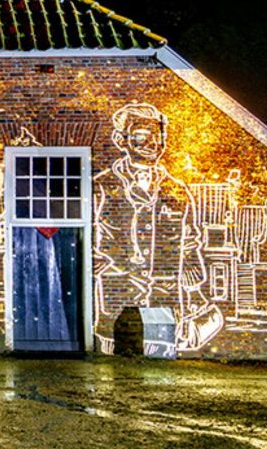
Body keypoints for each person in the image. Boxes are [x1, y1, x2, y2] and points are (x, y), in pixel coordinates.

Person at [93, 103, 224, 352]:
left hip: (164, 295)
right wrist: (100, 263)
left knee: (161, 358)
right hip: (119, 294)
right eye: (142, 137)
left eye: (159, 137)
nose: (153, 144)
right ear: (121, 140)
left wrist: (194, 289)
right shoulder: (101, 186)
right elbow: (85, 233)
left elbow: (190, 240)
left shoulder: (175, 190)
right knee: (115, 358)